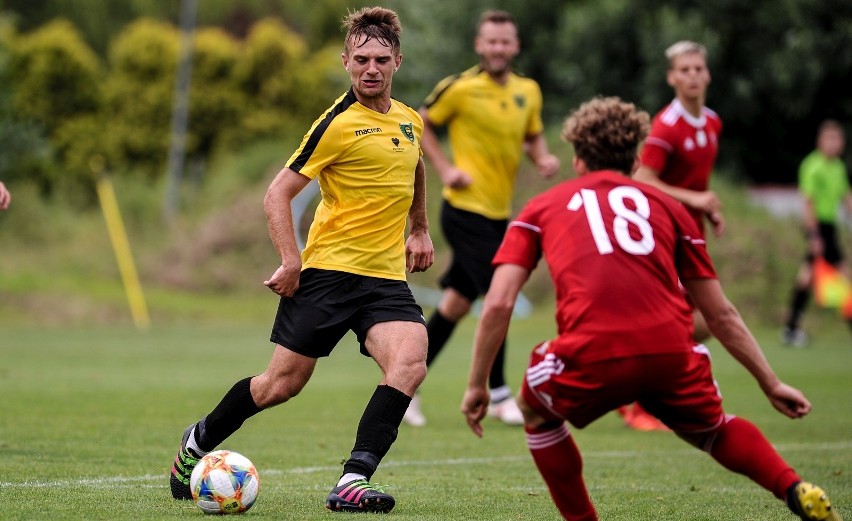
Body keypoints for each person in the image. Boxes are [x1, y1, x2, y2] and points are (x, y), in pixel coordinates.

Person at [461, 96, 841, 521]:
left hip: (593, 352)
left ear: (577, 157)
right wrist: (771, 383)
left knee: (536, 412)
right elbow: (720, 314)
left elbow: (498, 301)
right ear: (637, 157)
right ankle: (793, 486)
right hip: (670, 351)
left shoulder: (542, 207)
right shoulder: (671, 208)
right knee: (713, 431)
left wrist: (478, 385)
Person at [169, 7, 434, 514]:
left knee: (410, 361)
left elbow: (415, 165)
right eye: (360, 60)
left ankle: (353, 480)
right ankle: (198, 441)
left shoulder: (409, 119)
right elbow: (277, 194)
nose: (370, 69)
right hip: (327, 274)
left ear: (398, 61)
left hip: (383, 278)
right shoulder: (335, 125)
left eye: (381, 59)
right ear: (345, 62)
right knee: (280, 385)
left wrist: (419, 228)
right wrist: (290, 260)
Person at [404, 9, 560, 427]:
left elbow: (531, 133)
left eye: (504, 41)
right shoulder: (460, 87)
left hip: (498, 216)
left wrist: (542, 157)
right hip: (463, 210)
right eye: (491, 41)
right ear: (479, 45)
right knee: (499, 293)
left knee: (454, 305)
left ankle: (404, 387)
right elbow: (422, 123)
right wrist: (446, 169)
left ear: (515, 46)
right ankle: (499, 393)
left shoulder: (529, 90)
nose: (497, 48)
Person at [626, 40, 724, 430]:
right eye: (684, 69)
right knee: (697, 318)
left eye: (698, 68)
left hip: (690, 235)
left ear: (708, 73)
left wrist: (707, 209)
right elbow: (643, 179)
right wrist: (697, 199)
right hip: (662, 234)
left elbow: (695, 182)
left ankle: (639, 389)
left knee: (701, 320)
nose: (693, 75)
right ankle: (641, 404)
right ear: (672, 77)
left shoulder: (713, 122)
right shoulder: (666, 126)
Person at [782, 119, 852, 346]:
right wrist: (814, 235)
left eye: (837, 139)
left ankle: (790, 328)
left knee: (807, 277)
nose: (834, 144)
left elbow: (846, 198)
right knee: (844, 276)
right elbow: (808, 203)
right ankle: (791, 329)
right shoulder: (813, 165)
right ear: (820, 141)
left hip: (830, 227)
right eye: (829, 139)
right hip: (818, 227)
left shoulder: (838, 167)